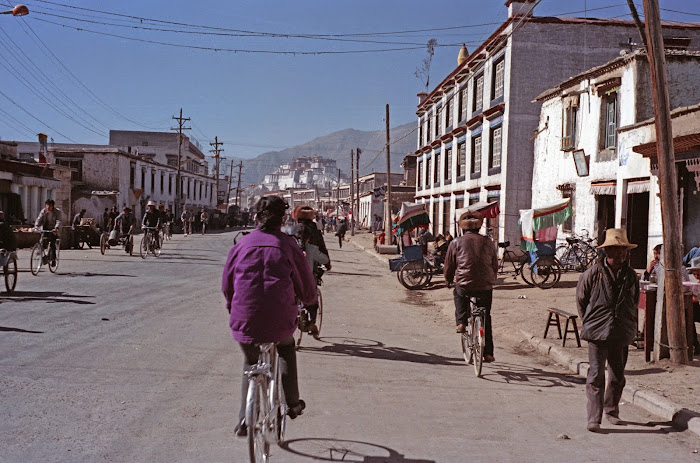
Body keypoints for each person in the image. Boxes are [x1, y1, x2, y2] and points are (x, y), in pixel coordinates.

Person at [222, 195, 316, 437]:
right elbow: (306, 284)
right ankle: (292, 404)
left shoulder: (241, 244)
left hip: (245, 319)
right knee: (286, 348)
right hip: (280, 319)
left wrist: (233, 306)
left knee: (251, 360)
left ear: (256, 217)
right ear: (282, 219)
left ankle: (244, 418)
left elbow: (227, 284)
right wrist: (309, 301)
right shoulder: (287, 245)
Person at [576, 228, 639, 433]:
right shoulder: (592, 274)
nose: (620, 255)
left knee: (617, 376)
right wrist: (591, 322)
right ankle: (594, 417)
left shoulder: (630, 276)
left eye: (623, 251)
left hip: (621, 331)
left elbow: (634, 301)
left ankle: (612, 411)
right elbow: (581, 300)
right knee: (595, 375)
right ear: (607, 252)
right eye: (616, 250)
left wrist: (628, 323)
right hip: (597, 331)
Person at [444, 210, 498, 363]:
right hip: (485, 285)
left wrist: (448, 280)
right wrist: (492, 277)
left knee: (459, 294)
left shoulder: (456, 242)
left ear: (462, 227)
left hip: (464, 282)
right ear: (479, 227)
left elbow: (449, 265)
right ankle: (488, 353)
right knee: (485, 316)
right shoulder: (488, 242)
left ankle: (461, 322)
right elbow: (495, 264)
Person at [34, 199, 61, 264]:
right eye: (47, 205)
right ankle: (43, 255)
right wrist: (36, 225)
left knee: (52, 243)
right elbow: (39, 218)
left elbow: (58, 221)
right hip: (45, 228)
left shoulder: (57, 212)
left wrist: (56, 228)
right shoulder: (43, 211)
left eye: (50, 206)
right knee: (42, 242)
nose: (48, 207)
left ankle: (53, 259)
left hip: (53, 229)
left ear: (53, 206)